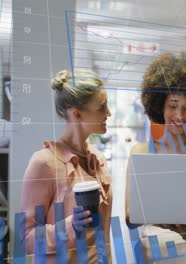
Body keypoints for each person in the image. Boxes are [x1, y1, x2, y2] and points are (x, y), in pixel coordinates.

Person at [125, 52, 186, 263]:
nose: (179, 116)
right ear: (159, 104)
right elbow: (130, 217)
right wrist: (167, 221)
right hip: (156, 249)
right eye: (172, 106)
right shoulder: (140, 153)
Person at [20, 70, 113, 263]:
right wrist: (69, 226)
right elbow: (25, 239)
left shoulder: (98, 160)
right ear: (78, 114)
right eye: (102, 107)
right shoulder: (44, 163)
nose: (109, 113)